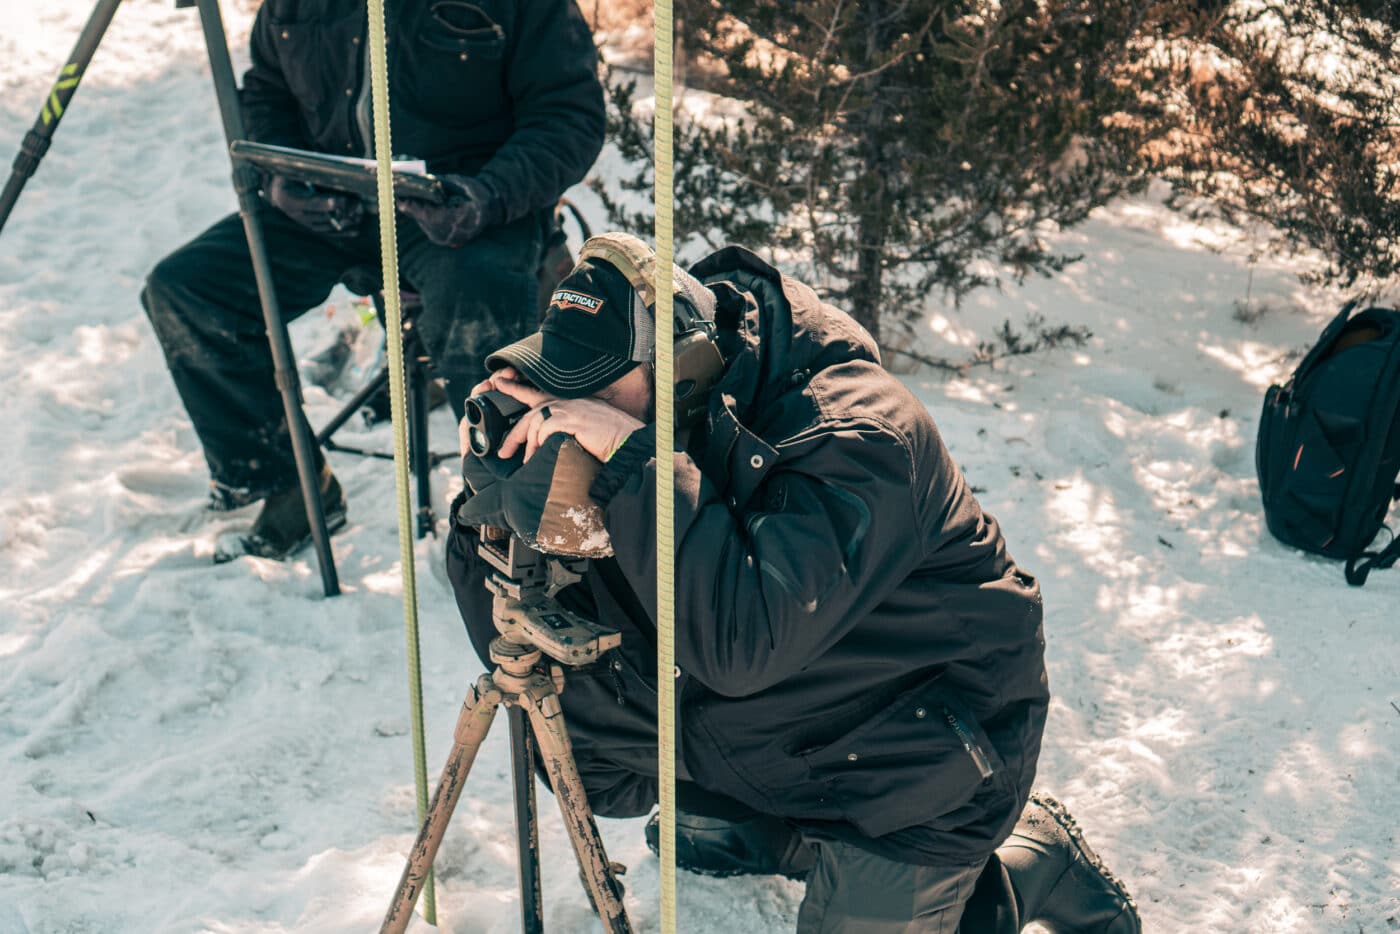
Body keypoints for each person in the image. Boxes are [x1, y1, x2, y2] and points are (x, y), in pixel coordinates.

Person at [446, 232, 1141, 932]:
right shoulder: (660, 417)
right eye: (551, 379)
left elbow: (742, 643)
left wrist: (637, 463)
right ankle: (810, 836)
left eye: (588, 386)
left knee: (889, 880)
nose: (560, 409)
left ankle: (1023, 861)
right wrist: (496, 501)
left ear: (683, 367)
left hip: (922, 759)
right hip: (783, 726)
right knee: (694, 825)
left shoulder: (859, 437)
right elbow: (542, 658)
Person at [141, 0, 605, 560]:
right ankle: (287, 486)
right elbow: (267, 90)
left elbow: (570, 117)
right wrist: (280, 178)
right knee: (187, 291)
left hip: (466, 206)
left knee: (478, 309)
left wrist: (486, 196)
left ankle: (511, 518)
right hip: (330, 205)